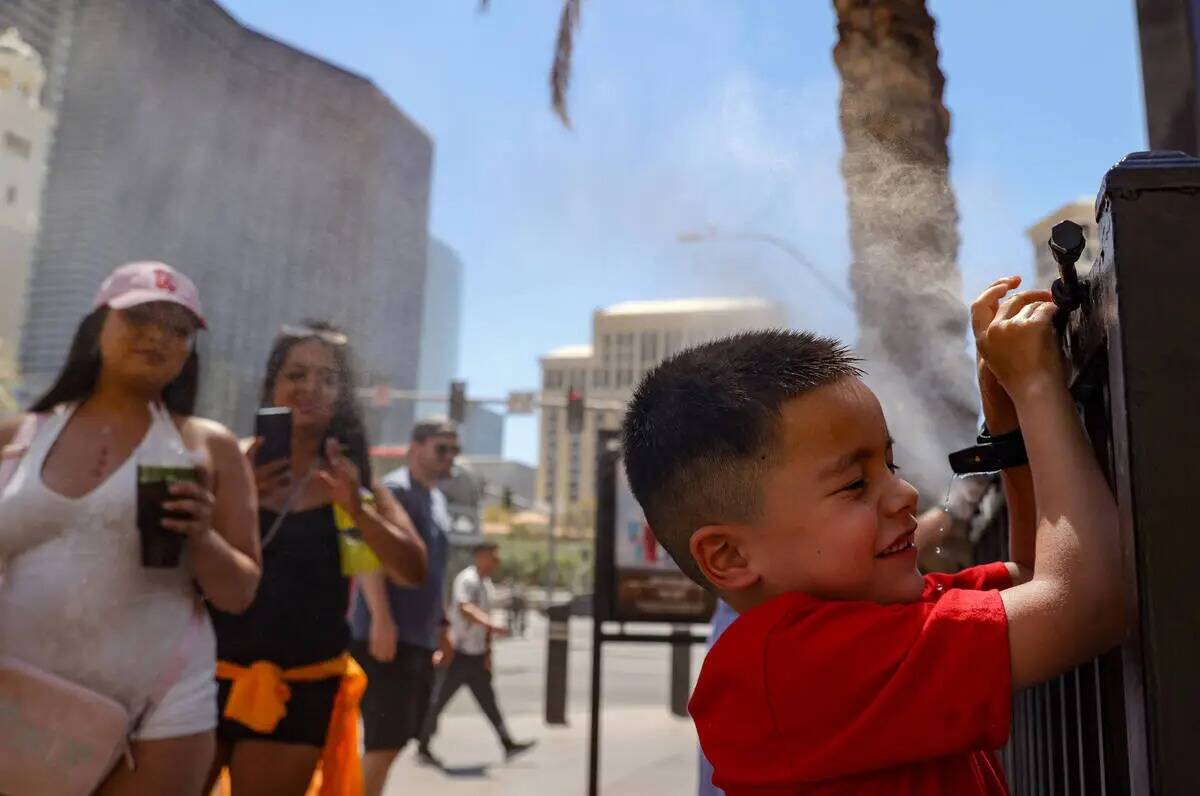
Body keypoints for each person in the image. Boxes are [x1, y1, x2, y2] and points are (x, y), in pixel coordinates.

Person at [621, 276, 1125, 795]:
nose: (904, 493)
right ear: (728, 554)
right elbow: (1088, 602)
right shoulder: (790, 670)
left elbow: (1038, 581)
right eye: (855, 484)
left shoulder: (877, 613)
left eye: (891, 463)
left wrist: (1011, 433)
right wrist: (1038, 386)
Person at [0, 262, 262, 795]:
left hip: (159, 709)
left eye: (179, 328)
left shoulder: (209, 447)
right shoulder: (18, 436)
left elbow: (239, 593)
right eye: (141, 315)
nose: (159, 335)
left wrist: (202, 536)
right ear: (98, 326)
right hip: (15, 701)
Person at [206, 321, 428, 796]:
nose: (310, 388)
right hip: (203, 676)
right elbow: (181, 561)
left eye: (327, 379)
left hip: (302, 685)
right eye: (296, 374)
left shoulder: (354, 481)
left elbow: (412, 570)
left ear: (341, 396)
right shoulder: (227, 461)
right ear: (272, 384)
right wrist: (235, 500)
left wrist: (356, 509)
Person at [351, 418, 460, 796]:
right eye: (441, 448)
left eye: (454, 450)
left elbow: (434, 572)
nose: (450, 457)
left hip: (418, 636)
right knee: (383, 742)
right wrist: (381, 619)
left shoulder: (436, 499)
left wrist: (443, 626)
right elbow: (368, 554)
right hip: (387, 636)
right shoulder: (394, 491)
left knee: (396, 739)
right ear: (415, 449)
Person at [417, 542, 536, 767]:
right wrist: (491, 625)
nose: (495, 562)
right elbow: (465, 608)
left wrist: (488, 651)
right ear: (480, 557)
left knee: (488, 701)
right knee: (439, 700)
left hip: (476, 656)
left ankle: (507, 743)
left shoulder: (486, 585)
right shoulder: (468, 580)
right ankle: (422, 743)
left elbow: (481, 620)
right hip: (459, 654)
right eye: (493, 557)